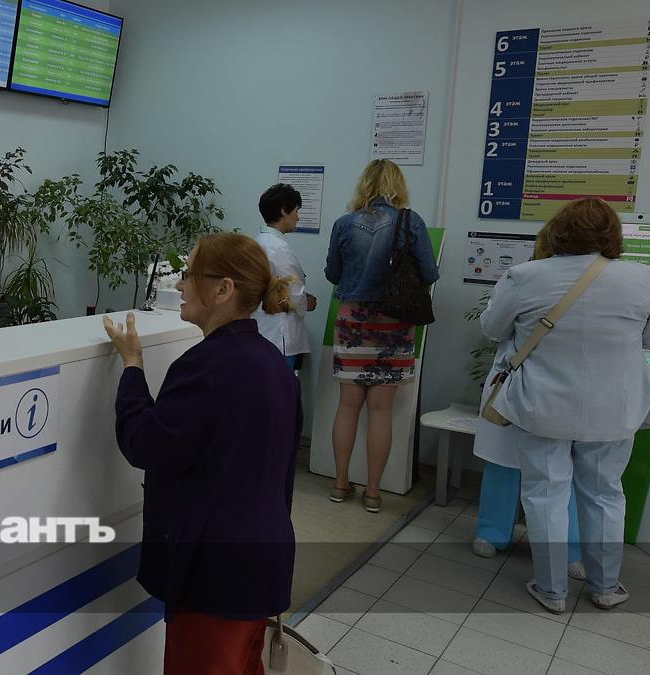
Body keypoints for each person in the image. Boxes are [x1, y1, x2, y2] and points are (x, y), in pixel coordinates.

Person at [103, 232, 300, 675]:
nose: (179, 285)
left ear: (223, 289)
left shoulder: (208, 366)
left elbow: (144, 442)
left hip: (216, 576)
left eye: (189, 274)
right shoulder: (273, 363)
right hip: (261, 563)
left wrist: (132, 366)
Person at [480, 198, 650, 613]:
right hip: (614, 408)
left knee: (545, 493)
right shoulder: (640, 278)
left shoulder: (525, 276)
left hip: (541, 406)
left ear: (558, 230)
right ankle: (606, 587)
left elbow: (492, 328)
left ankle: (551, 590)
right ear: (613, 235)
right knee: (605, 494)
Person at [324, 159, 439, 513]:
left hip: (353, 322)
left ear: (364, 184)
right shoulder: (410, 221)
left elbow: (333, 274)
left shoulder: (344, 223)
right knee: (381, 411)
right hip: (394, 323)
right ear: (397, 185)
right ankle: (373, 492)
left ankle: (340, 484)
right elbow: (429, 273)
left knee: (347, 406)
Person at [472, 341, 586, 583]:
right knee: (503, 461)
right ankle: (492, 532)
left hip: (566, 381)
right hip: (516, 373)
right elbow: (493, 326)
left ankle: (568, 549)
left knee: (562, 473)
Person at [253, 183, 315, 370]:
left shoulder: (259, 242)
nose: (298, 217)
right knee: (280, 384)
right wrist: (307, 302)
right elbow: (293, 294)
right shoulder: (278, 248)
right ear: (283, 210)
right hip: (279, 335)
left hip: (264, 329)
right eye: (296, 211)